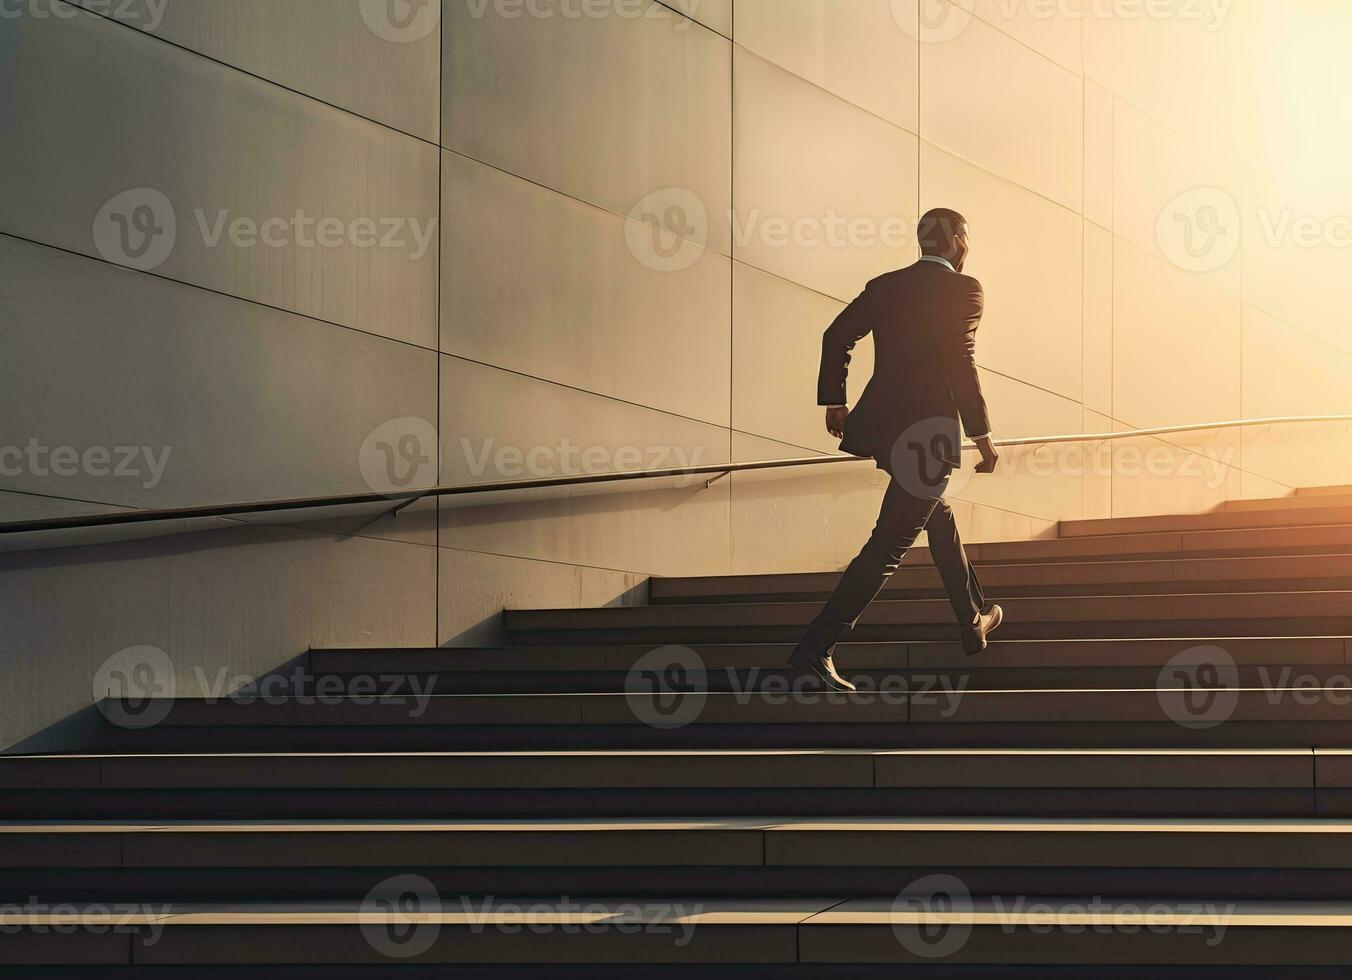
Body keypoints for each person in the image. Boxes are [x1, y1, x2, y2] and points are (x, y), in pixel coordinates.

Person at [789, 208, 1005, 693]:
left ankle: (972, 619)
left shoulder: (886, 285)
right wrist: (982, 436)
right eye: (965, 236)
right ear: (955, 241)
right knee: (889, 543)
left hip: (886, 430)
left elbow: (835, 335)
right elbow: (960, 361)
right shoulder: (964, 290)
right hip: (929, 437)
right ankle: (815, 649)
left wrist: (834, 401)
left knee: (935, 512)